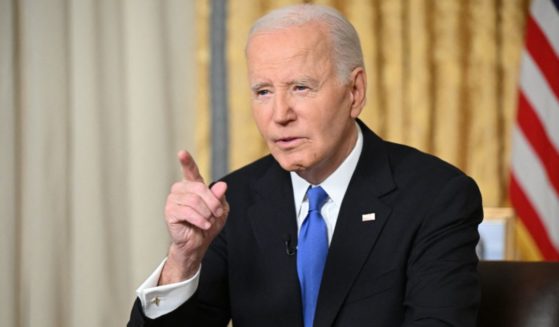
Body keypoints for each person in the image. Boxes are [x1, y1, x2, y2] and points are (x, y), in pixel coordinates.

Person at [128, 4, 482, 327]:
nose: (279, 115)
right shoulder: (231, 202)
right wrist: (183, 260)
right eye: (263, 92)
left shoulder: (437, 196)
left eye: (300, 87)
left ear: (354, 92)